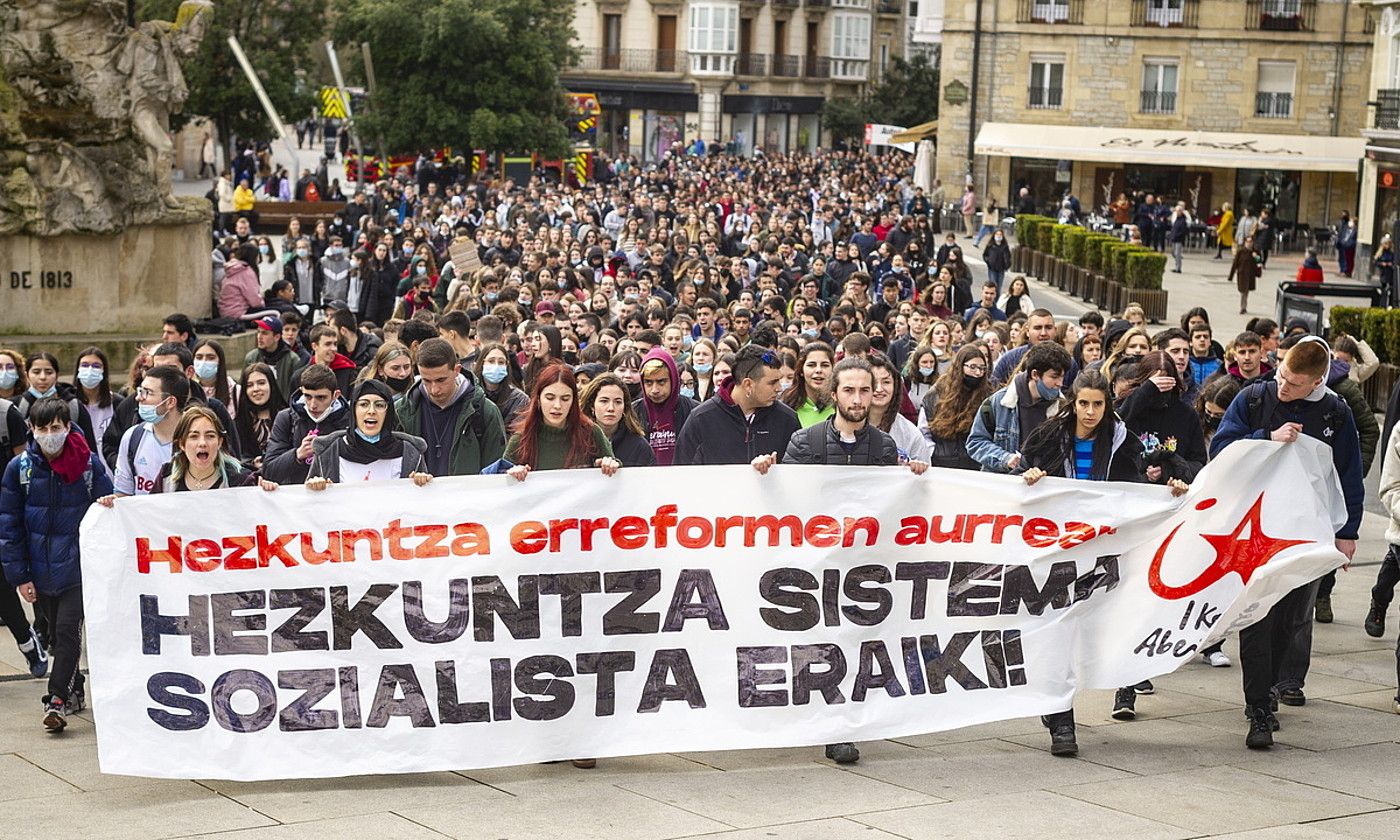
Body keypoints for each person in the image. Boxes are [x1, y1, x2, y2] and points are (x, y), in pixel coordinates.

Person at [1022, 371, 1188, 752]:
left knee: (1105, 628)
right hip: (1059, 551)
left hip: (1104, 551)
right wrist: (1028, 475)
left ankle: (1116, 690)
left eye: (1098, 404)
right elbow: (1019, 474)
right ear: (1073, 402)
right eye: (1084, 403)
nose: (1091, 411)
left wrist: (1171, 487)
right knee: (1058, 633)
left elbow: (1140, 484)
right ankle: (1062, 719)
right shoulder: (1048, 436)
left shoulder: (1120, 439)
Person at [1210, 338, 1364, 748]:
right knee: (1256, 616)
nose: (1283, 388)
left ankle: (1276, 686)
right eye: (1280, 375)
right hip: (1255, 532)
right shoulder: (1254, 398)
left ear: (1317, 381)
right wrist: (1266, 436)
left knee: (1293, 618)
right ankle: (1258, 707)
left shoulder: (1335, 411)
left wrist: (1348, 532)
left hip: (1306, 531)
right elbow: (1220, 450)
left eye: (1294, 384)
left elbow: (1350, 473)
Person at [779, 356, 929, 766]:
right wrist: (766, 475)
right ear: (834, 393)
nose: (858, 398)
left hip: (863, 566)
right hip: (817, 564)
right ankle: (831, 722)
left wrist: (912, 479)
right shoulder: (805, 442)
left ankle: (842, 725)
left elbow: (894, 506)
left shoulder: (884, 448)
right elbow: (785, 502)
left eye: (865, 390)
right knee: (823, 642)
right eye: (849, 390)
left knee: (856, 644)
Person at [3, 397, 113, 730]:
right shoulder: (19, 469)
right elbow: (9, 524)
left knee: (67, 631)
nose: (49, 435)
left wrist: (109, 504)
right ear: (31, 430)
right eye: (42, 428)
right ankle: (74, 688)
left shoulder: (88, 465)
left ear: (68, 427)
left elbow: (107, 511)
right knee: (54, 635)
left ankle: (56, 700)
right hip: (39, 569)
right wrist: (19, 575)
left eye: (56, 428)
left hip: (78, 569)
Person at [395, 338, 506, 477]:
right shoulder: (401, 411)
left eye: (441, 380)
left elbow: (495, 472)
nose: (434, 389)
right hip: (417, 496)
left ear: (457, 370)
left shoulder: (485, 412)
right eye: (426, 381)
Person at [967, 342, 1073, 473]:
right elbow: (976, 442)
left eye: (1062, 377)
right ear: (1035, 375)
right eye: (1054, 377)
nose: (1060, 383)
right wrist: (1005, 458)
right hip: (1004, 485)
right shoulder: (997, 403)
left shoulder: (1063, 409)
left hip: (1044, 486)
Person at [307, 380, 433, 487]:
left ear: (388, 412)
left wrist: (422, 485)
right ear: (354, 410)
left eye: (379, 405)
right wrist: (315, 488)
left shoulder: (409, 453)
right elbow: (310, 509)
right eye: (364, 404)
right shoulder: (329, 452)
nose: (371, 411)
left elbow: (422, 509)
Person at [149, 405, 278, 494]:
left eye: (210, 436)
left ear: (219, 442)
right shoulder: (166, 478)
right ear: (182, 444)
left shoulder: (241, 481)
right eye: (194, 436)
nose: (202, 443)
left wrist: (266, 492)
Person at [261, 364, 350, 485]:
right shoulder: (286, 418)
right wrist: (297, 454)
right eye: (307, 396)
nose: (313, 404)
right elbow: (269, 471)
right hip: (296, 498)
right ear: (301, 391)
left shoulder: (348, 420)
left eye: (321, 398)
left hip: (335, 497)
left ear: (335, 395)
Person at [923, 345, 993, 470]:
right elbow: (924, 431)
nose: (978, 373)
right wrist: (933, 452)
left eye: (982, 368)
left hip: (976, 465)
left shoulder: (988, 395)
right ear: (960, 367)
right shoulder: (936, 394)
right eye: (973, 367)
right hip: (942, 465)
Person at [635, 348, 696, 465]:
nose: (654, 390)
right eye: (648, 382)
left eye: (661, 382)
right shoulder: (633, 413)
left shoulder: (693, 411)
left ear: (673, 379)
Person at [868, 352, 932, 463]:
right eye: (873, 382)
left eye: (886, 382)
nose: (879, 389)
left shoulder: (910, 433)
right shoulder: (848, 428)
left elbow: (925, 476)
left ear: (896, 386)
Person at [581, 372, 655, 467]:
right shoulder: (577, 440)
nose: (611, 408)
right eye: (604, 401)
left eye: (618, 402)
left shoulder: (639, 446)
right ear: (592, 405)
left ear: (625, 407)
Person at [232, 362, 287, 469]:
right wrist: (251, 463)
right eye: (250, 385)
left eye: (261, 383)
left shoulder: (288, 418)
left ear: (271, 385)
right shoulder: (238, 423)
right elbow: (235, 456)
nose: (256, 389)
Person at [243, 316, 307, 403]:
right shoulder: (251, 357)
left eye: (264, 333)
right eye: (258, 332)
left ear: (276, 337)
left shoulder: (292, 359)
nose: (259, 336)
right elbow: (243, 387)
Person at [783, 342, 836, 428]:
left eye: (825, 365)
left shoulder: (841, 405)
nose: (818, 370)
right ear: (801, 371)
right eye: (811, 365)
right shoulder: (787, 407)